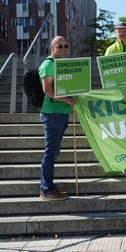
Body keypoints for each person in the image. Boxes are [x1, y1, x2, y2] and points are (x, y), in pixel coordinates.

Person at [39, 36, 76, 201]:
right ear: (52, 47)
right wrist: (68, 100)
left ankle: (49, 188)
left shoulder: (63, 65)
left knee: (54, 151)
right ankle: (46, 190)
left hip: (61, 112)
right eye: (59, 46)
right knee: (51, 152)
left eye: (65, 46)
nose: (63, 48)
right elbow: (48, 90)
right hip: (52, 113)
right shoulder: (48, 64)